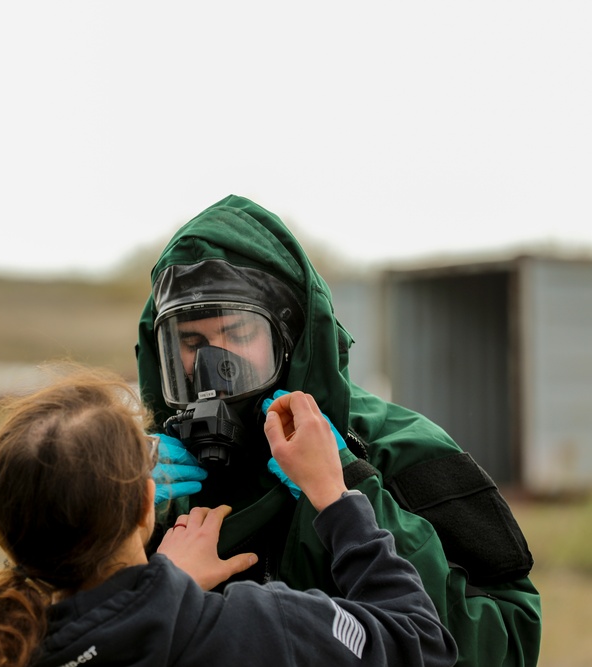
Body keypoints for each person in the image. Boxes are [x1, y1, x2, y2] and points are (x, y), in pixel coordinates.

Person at [135, 194, 542, 667]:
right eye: (190, 342)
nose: (213, 368)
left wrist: (349, 489)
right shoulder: (150, 472)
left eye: (240, 335)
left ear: (293, 340)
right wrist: (123, 516)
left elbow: (508, 643)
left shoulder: (402, 448)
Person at [0, 367, 457, 667]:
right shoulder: (262, 629)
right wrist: (334, 492)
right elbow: (421, 644)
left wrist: (166, 586)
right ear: (141, 510)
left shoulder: (2, 647)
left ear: (8, 528)